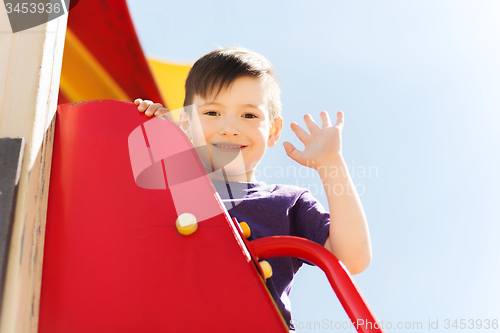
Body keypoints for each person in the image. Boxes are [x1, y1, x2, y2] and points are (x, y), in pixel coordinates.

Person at [134, 46, 372, 331]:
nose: (229, 127)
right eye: (212, 112)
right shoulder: (165, 186)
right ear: (185, 123)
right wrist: (156, 135)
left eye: (248, 116)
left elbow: (353, 258)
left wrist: (331, 164)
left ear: (272, 131)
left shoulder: (286, 202)